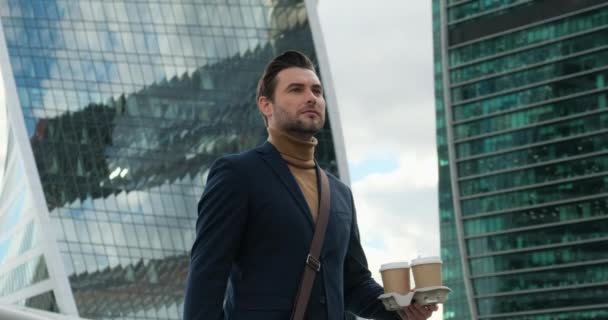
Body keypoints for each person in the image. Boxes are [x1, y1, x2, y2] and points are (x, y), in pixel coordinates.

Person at [183, 51, 437, 320]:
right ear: (266, 105)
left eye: (317, 90)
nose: (311, 97)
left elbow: (353, 283)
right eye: (296, 89)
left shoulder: (340, 194)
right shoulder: (238, 174)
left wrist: (402, 307)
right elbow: (206, 276)